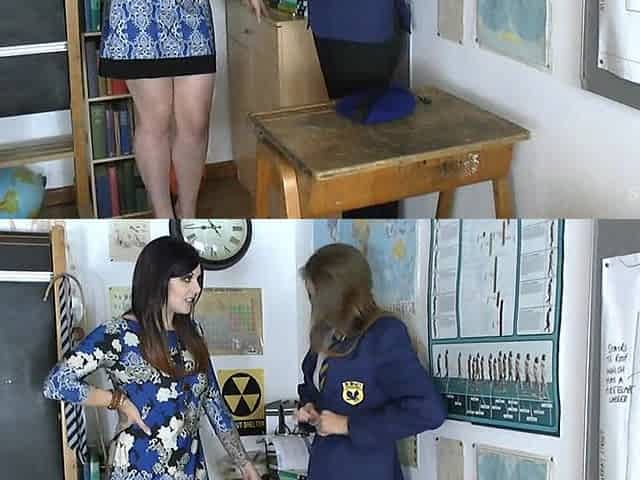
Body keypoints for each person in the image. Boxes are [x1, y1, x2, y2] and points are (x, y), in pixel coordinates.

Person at [43, 236, 260, 480]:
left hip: (190, 470)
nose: (197, 289)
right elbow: (56, 383)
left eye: (198, 279)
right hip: (137, 468)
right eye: (187, 279)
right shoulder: (118, 334)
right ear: (159, 279)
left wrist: (244, 464)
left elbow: (213, 401)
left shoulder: (193, 332)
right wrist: (117, 401)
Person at [98, 0, 268, 218]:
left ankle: (187, 214)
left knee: (196, 123)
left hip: (192, 11)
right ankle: (164, 217)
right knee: (154, 121)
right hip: (137, 13)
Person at [295, 243, 446, 480]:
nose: (314, 304)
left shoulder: (383, 335)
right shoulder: (326, 334)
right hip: (325, 466)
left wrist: (347, 425)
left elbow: (428, 410)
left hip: (367, 469)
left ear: (338, 294)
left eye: (317, 296)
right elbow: (314, 388)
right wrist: (309, 410)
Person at [306, 0, 412, 218]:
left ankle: (366, 222)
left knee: (368, 140)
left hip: (362, 24)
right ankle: (361, 221)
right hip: (336, 24)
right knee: (355, 137)